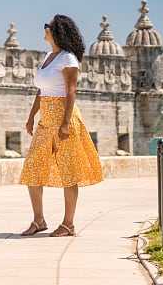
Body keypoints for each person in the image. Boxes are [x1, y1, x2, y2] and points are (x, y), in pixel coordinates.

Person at [18, 14, 103, 237]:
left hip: (64, 118)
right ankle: (39, 220)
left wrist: (65, 124)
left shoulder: (68, 59)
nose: (44, 29)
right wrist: (31, 116)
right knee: (32, 169)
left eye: (48, 26)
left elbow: (71, 91)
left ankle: (68, 224)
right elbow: (42, 90)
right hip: (46, 119)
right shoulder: (49, 57)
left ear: (57, 32)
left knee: (69, 171)